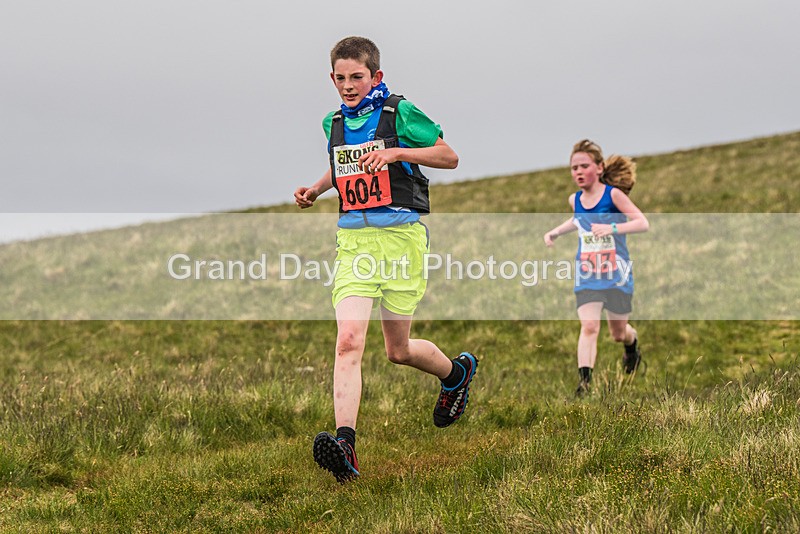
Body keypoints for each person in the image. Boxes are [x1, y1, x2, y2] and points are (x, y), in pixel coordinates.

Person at [294, 36, 478, 483]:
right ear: (331, 79)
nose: (348, 86)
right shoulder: (332, 123)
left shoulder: (400, 113)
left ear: (375, 76)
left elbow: (448, 156)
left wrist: (396, 152)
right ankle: (346, 446)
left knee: (398, 350)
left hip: (402, 243)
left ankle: (455, 374)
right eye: (340, 78)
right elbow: (347, 168)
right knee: (348, 342)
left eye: (357, 77)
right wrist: (316, 189)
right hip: (355, 246)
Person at [543, 139, 649, 396]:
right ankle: (584, 384)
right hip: (588, 272)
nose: (578, 172)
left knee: (618, 333)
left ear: (599, 168)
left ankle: (631, 346)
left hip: (616, 274)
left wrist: (612, 228)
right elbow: (578, 220)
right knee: (589, 326)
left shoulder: (613, 196)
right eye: (573, 168)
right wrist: (556, 232)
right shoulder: (575, 199)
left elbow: (642, 222)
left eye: (584, 166)